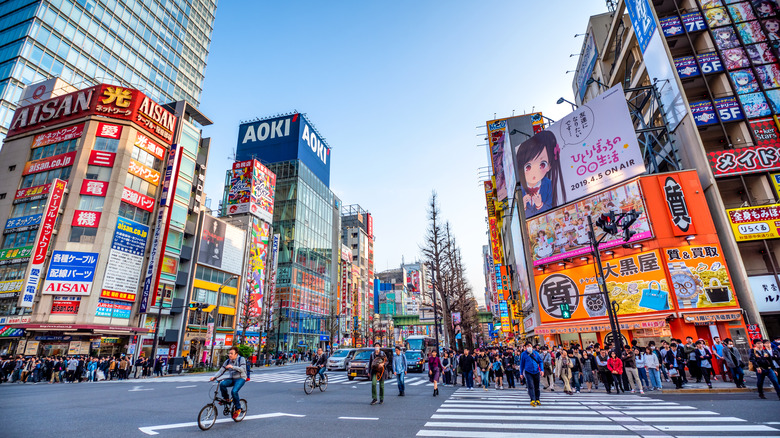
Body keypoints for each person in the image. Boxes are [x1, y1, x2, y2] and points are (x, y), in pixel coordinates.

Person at [209, 346, 247, 419]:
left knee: (234, 391)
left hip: (240, 378)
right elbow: (221, 370)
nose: (229, 355)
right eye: (229, 353)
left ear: (236, 354)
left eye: (231, 353)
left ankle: (238, 408)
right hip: (232, 378)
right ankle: (226, 399)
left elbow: (243, 369)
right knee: (222, 384)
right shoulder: (227, 361)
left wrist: (233, 367)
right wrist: (214, 377)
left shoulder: (241, 359)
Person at [519, 342, 543, 406]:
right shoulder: (523, 354)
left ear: (532, 346)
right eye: (527, 346)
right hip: (528, 372)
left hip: (536, 371)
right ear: (525, 347)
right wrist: (521, 373)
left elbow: (540, 361)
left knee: (537, 386)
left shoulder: (536, 353)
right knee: (531, 386)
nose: (528, 347)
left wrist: (542, 370)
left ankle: (537, 399)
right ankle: (532, 399)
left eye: (530, 345)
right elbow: (522, 364)